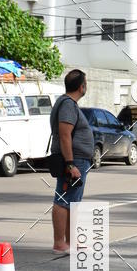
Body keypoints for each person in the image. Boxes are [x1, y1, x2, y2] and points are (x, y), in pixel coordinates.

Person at [50, 69, 93, 253]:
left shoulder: (68, 103)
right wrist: (70, 164)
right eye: (86, 83)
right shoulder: (68, 105)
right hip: (74, 160)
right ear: (81, 87)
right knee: (64, 199)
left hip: (76, 159)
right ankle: (60, 243)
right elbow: (65, 135)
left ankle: (71, 242)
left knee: (71, 201)